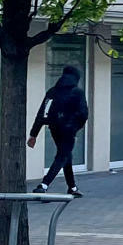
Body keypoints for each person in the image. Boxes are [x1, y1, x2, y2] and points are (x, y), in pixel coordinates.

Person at [30, 65, 89, 196]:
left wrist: (33, 134)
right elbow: (84, 113)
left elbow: (42, 113)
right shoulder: (77, 92)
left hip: (54, 128)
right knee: (62, 156)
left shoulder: (52, 92)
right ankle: (43, 185)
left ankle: (72, 188)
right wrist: (75, 127)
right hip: (69, 130)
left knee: (67, 155)